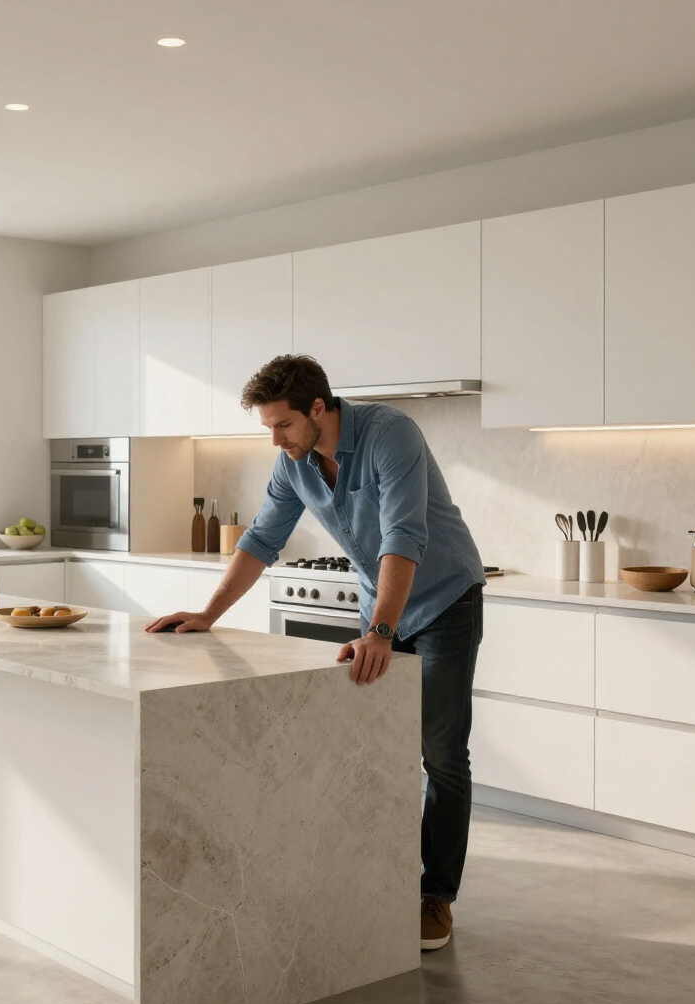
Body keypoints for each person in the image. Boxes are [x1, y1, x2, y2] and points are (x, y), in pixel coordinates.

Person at [145, 353, 485, 951]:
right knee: (372, 744)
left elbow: (405, 534)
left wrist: (381, 631)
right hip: (378, 605)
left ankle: (436, 896)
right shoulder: (294, 463)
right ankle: (375, 878)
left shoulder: (390, 435)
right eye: (269, 428)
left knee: (441, 753)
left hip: (442, 601)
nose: (274, 439)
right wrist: (207, 614)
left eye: (282, 425)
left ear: (319, 409)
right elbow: (262, 538)